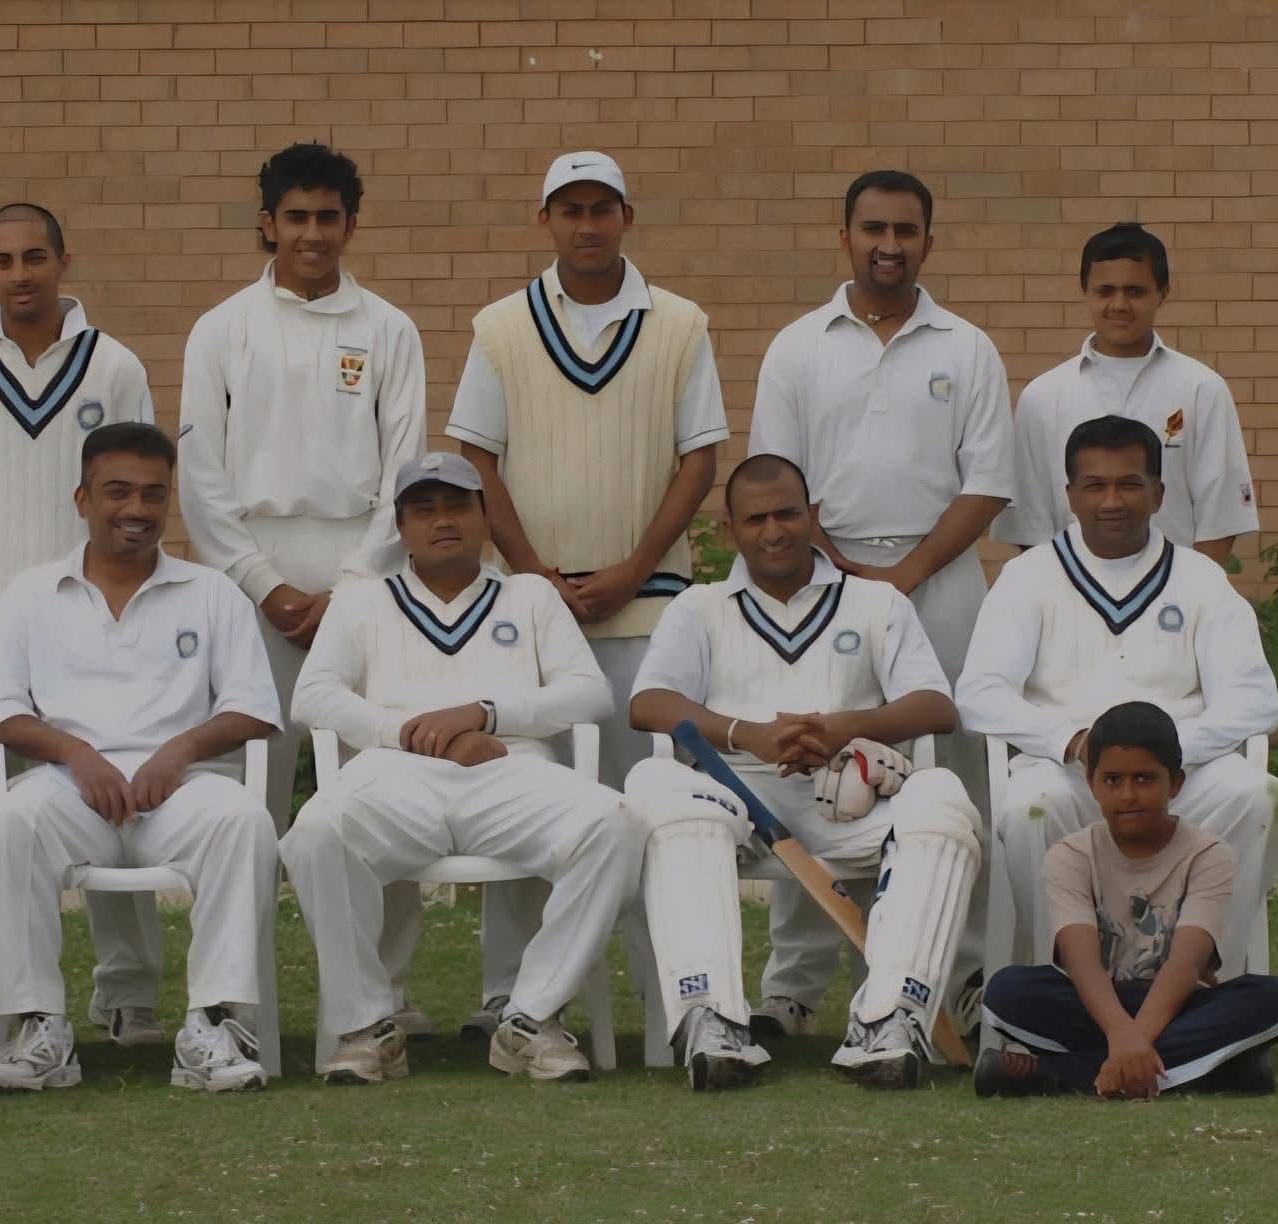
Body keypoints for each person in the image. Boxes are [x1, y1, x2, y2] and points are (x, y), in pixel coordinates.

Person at [447, 149, 728, 1040]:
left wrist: (633, 566)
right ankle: (512, 995)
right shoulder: (499, 327)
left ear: (626, 216)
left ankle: (672, 997)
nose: (587, 224)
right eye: (569, 209)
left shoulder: (681, 324)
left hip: (649, 603)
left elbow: (699, 458)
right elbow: (476, 460)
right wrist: (531, 572)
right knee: (524, 798)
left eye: (601, 207)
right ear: (546, 223)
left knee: (651, 803)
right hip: (528, 612)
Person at [745, 169, 1015, 1035]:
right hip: (819, 590)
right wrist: (841, 569)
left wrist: (901, 578)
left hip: (941, 586)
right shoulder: (798, 346)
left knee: (954, 784)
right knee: (813, 767)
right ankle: (794, 987)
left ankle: (960, 978)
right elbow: (775, 483)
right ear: (846, 235)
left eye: (905, 230)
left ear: (928, 241)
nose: (888, 245)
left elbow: (988, 487)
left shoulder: (966, 347)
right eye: (872, 229)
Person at [281, 452, 644, 1086]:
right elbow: (311, 696)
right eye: (424, 508)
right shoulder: (361, 599)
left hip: (510, 769)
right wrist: (417, 734)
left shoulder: (528, 594)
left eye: (457, 505)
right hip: (395, 773)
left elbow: (590, 693)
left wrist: (484, 714)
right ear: (399, 526)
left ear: (484, 517)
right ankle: (369, 1023)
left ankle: (529, 1018)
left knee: (614, 823)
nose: (441, 520)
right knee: (313, 834)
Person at [177, 140, 432, 1035]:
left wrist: (356, 583)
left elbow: (406, 468)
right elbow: (200, 473)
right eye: (296, 217)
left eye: (329, 218)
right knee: (249, 794)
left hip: (365, 570)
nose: (313, 234)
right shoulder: (222, 329)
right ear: (267, 224)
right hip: (254, 578)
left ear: (351, 224)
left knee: (381, 786)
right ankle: (236, 1001)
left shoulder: (390, 330)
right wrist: (263, 585)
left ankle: (383, 993)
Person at [625, 454, 980, 1089]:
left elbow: (936, 705)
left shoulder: (876, 602)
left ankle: (890, 1018)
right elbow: (648, 703)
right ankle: (713, 1020)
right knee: (655, 788)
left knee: (944, 800)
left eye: (788, 514)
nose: (774, 531)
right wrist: (748, 734)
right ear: (729, 530)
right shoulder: (698, 607)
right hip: (732, 796)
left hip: (850, 799)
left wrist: (845, 727)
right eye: (755, 519)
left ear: (814, 517)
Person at [0, 202, 164, 1046]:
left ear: (63, 259)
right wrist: (1, 590)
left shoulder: (115, 365)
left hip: (94, 622)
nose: (19, 275)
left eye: (33, 258)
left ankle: (127, 989)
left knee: (115, 799)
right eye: (2, 261)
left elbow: (135, 482)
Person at [0, 422, 281, 1095]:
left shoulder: (211, 592)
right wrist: (75, 754)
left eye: (152, 495)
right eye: (117, 493)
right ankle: (38, 1028)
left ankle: (214, 1024)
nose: (136, 510)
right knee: (10, 822)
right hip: (67, 789)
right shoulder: (28, 595)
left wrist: (181, 750)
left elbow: (255, 706)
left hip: (179, 791)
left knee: (244, 820)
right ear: (81, 500)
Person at [957, 415, 1278, 979]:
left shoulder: (1200, 578)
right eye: (1095, 485)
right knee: (1030, 809)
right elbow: (979, 693)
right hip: (1069, 772)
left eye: (1130, 484)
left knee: (1260, 797)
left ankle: (1211, 982)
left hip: (1180, 775)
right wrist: (1073, 741)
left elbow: (1255, 700)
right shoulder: (1027, 577)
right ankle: (1059, 988)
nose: (1112, 501)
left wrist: (1158, 753)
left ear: (1158, 493)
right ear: (1070, 495)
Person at [977, 702, 1278, 1098]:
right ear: (1092, 783)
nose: (1128, 795)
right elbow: (1080, 963)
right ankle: (1214, 1073)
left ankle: (1060, 1076)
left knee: (1276, 999)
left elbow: (1187, 963)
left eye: (1145, 779)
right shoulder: (1070, 856)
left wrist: (1133, 1042)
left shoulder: (1209, 854)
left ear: (1176, 783)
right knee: (1007, 991)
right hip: (1095, 1003)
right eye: (1112, 780)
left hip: (1178, 1001)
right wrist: (1120, 1034)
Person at [995, 223, 1257, 565]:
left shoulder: (1200, 389)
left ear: (1162, 292)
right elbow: (1029, 524)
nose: (1119, 304)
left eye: (1135, 291)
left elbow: (1221, 517)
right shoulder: (1043, 396)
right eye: (1105, 290)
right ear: (1085, 290)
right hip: (1071, 597)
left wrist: (1193, 599)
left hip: (1173, 601)